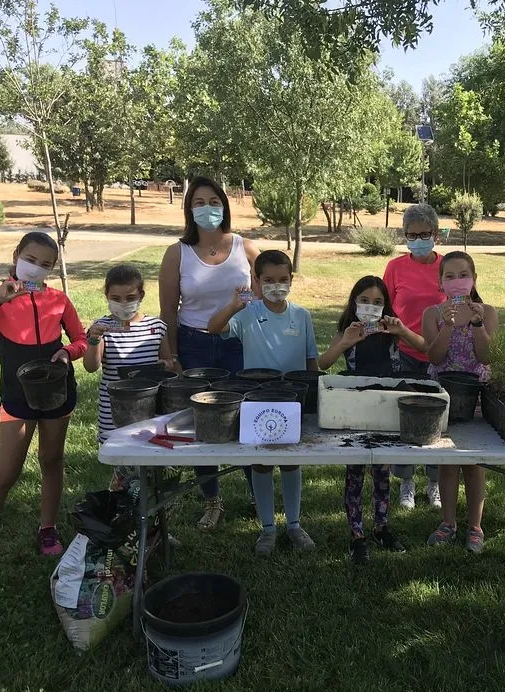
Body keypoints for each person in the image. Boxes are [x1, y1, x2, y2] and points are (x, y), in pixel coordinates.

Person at [0, 232, 87, 578]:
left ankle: (47, 528)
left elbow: (80, 340)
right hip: (17, 395)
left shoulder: (59, 300)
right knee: (6, 471)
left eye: (45, 265)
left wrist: (68, 352)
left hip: (56, 392)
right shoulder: (1, 298)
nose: (36, 268)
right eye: (31, 259)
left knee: (52, 460)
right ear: (17, 255)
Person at [158, 176, 260, 531]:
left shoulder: (245, 248)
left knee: (247, 419)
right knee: (204, 424)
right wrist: (171, 356)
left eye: (213, 200)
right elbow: (168, 312)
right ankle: (212, 501)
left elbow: (270, 295)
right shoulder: (177, 253)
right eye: (198, 202)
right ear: (189, 209)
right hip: (194, 344)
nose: (206, 208)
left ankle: (256, 493)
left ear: (225, 205)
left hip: (239, 345)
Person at [208, 250, 319, 555]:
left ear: (291, 279)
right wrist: (234, 305)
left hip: (293, 399)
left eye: (283, 279)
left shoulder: (302, 315)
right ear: (256, 281)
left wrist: (314, 399)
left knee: (291, 460)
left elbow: (312, 361)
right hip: (256, 399)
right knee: (261, 462)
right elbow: (213, 327)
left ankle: (294, 525)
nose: (276, 286)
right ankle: (267, 529)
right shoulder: (246, 314)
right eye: (268, 280)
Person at [318, 276, 427, 564]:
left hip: (386, 405)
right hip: (355, 407)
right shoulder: (348, 330)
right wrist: (344, 343)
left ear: (386, 306)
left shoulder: (389, 329)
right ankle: (356, 535)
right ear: (354, 302)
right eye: (364, 301)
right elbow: (322, 363)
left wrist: (402, 330)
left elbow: (425, 347)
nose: (370, 306)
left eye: (378, 302)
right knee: (355, 472)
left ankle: (381, 526)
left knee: (382, 470)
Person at [423, 251, 499, 553]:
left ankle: (475, 526)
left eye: (463, 275)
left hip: (477, 394)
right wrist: (449, 326)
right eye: (450, 276)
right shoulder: (433, 313)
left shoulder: (488, 311)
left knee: (474, 462)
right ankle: (448, 522)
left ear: (474, 279)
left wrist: (477, 324)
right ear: (441, 281)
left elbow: (488, 357)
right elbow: (434, 356)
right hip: (443, 393)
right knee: (448, 461)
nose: (457, 282)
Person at [83, 264, 170, 489]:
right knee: (122, 464)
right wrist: (93, 340)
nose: (123, 304)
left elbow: (169, 363)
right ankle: (123, 506)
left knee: (149, 461)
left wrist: (166, 365)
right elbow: (91, 366)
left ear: (141, 295)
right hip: (114, 410)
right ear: (107, 297)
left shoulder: (156, 327)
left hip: (150, 407)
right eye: (116, 298)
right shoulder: (102, 328)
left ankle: (151, 508)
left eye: (130, 297)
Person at [383, 203, 446, 510]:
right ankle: (406, 480)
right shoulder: (395, 268)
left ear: (436, 234)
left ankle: (434, 482)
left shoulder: (448, 266)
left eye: (425, 234)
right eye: (412, 234)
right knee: (405, 418)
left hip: (441, 356)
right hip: (405, 354)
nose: (418, 239)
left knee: (438, 420)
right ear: (404, 235)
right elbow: (386, 308)